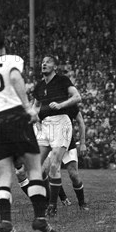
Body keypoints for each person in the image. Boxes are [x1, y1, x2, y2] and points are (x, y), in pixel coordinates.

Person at [0, 26, 58, 232]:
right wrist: (27, 107)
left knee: (5, 176)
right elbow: (13, 77)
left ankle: (5, 221)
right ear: (4, 43)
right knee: (34, 170)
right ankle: (40, 217)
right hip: (15, 118)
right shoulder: (12, 59)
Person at [31, 55, 82, 217]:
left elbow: (77, 96)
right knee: (37, 168)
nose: (44, 63)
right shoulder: (39, 85)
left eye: (48, 62)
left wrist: (61, 105)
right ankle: (47, 201)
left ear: (55, 67)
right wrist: (35, 118)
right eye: (43, 61)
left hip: (61, 123)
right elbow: (36, 105)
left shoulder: (62, 80)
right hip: (45, 125)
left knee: (54, 164)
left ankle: (52, 206)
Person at [42, 105, 89, 211]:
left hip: (67, 143)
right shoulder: (45, 102)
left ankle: (82, 203)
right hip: (52, 143)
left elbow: (80, 121)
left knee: (74, 175)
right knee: (47, 170)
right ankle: (57, 200)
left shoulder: (68, 102)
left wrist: (82, 143)